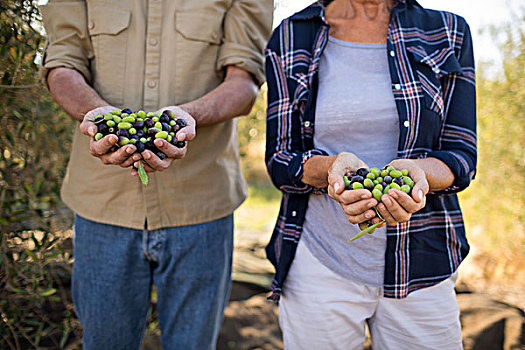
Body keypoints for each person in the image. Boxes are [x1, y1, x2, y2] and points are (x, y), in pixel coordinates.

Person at [40, 1, 272, 349]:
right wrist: (96, 117)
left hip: (202, 203)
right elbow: (61, 64)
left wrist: (187, 116)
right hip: (102, 204)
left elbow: (245, 82)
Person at [264, 0, 476, 348]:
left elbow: (462, 155)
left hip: (422, 260)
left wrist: (418, 174)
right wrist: (333, 169)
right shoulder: (292, 34)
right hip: (321, 261)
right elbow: (281, 158)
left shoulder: (449, 31)